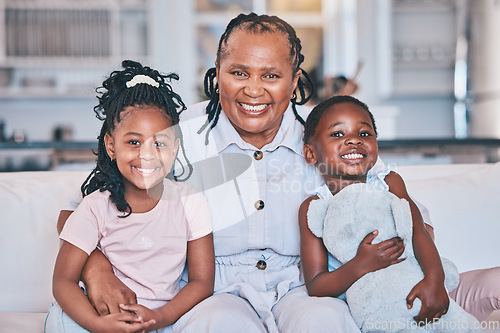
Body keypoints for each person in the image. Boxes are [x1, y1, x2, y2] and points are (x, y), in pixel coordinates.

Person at [57, 12, 499, 332]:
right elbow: (80, 213)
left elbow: (402, 209)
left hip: (306, 287)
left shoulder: (326, 134)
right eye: (238, 72)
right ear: (217, 75)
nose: (253, 89)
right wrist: (98, 271)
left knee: (326, 323)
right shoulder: (178, 134)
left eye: (271, 75)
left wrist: (420, 260)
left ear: (293, 81)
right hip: (214, 291)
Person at [45, 60, 215, 333]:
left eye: (159, 143)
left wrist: (160, 318)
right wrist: (99, 325)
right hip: (98, 316)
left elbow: (202, 281)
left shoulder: (191, 202)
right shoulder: (95, 206)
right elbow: (63, 281)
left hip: (162, 318)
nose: (146, 154)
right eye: (133, 142)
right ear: (111, 146)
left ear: (175, 148)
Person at [299, 95, 480, 329]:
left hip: (417, 282)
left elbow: (418, 232)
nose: (354, 140)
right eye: (337, 134)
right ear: (311, 153)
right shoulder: (314, 207)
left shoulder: (390, 183)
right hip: (372, 304)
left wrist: (435, 280)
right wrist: (362, 264)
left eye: (364, 134)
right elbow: (316, 285)